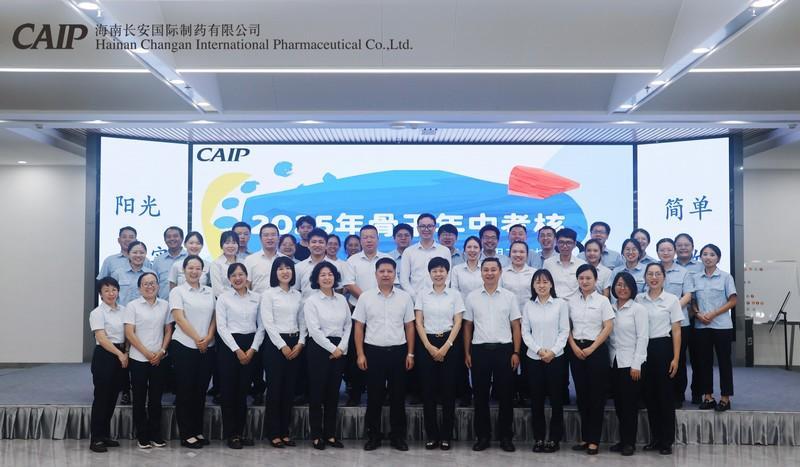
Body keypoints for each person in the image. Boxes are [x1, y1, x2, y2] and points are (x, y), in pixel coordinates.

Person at [354, 258, 416, 451]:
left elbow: (409, 326)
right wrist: (360, 354)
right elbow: (359, 327)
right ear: (376, 274)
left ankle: (398, 436)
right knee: (374, 397)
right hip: (373, 352)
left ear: (395, 274)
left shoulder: (405, 297)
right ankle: (373, 436)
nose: (386, 274)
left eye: (390, 271)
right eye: (382, 271)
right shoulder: (366, 297)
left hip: (398, 352)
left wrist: (410, 354)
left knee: (398, 397)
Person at [464, 257, 522, 452]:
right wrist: (467, 352)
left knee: (506, 396)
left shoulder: (509, 297)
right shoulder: (472, 297)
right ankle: (483, 436)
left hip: (504, 350)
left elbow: (516, 326)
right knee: (480, 397)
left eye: (493, 269)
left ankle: (506, 437)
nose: (489, 273)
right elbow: (468, 326)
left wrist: (516, 352)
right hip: (479, 350)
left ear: (500, 272)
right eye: (486, 270)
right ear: (481, 273)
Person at [414, 257, 464, 450]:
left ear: (447, 273)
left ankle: (446, 435)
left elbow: (458, 321)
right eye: (434, 271)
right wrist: (428, 346)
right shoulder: (422, 294)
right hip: (426, 343)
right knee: (428, 391)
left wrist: (446, 346)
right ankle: (432, 435)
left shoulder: (455, 295)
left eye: (441, 270)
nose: (438, 274)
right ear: (429, 274)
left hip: (450, 343)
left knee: (448, 391)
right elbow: (419, 322)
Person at [169, 255, 216, 449]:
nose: (194, 271)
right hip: (184, 346)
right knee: (185, 391)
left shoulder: (210, 291)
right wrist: (198, 339)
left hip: (207, 347)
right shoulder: (177, 292)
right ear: (184, 270)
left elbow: (215, 317)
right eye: (190, 268)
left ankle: (197, 431)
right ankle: (186, 434)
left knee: (200, 391)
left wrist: (208, 337)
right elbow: (179, 319)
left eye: (198, 268)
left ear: (203, 271)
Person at [304, 261, 352, 450]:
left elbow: (348, 325)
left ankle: (330, 434)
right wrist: (333, 349)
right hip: (319, 349)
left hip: (340, 349)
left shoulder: (341, 299)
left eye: (330, 274)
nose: (327, 278)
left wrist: (341, 347)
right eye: (322, 275)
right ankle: (317, 435)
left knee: (333, 393)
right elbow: (314, 330)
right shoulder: (312, 301)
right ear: (317, 279)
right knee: (317, 393)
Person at [216, 262, 264, 449]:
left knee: (243, 392)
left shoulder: (257, 298)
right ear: (229, 279)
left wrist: (253, 349)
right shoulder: (223, 298)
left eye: (241, 274)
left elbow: (261, 326)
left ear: (246, 277)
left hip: (251, 346)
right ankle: (231, 435)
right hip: (229, 347)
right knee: (229, 392)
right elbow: (221, 327)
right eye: (234, 275)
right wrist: (237, 349)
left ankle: (240, 432)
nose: (238, 278)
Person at [567, 264, 614, 455]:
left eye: (588, 278)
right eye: (581, 278)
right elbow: (566, 327)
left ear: (595, 280)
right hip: (576, 350)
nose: (584, 281)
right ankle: (585, 437)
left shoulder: (603, 301)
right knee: (582, 395)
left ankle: (594, 440)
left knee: (596, 396)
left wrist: (592, 348)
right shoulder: (571, 301)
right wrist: (574, 347)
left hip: (597, 350)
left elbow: (608, 326)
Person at [521, 269, 569, 454]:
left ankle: (554, 439)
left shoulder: (560, 304)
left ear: (551, 284)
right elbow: (525, 332)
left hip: (556, 358)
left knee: (556, 400)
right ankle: (539, 438)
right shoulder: (528, 305)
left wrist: (553, 351)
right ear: (533, 285)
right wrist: (539, 350)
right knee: (536, 401)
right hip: (534, 358)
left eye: (545, 282)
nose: (541, 285)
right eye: (538, 282)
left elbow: (564, 331)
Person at [637, 262, 683, 455]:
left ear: (664, 277)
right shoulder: (639, 299)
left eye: (658, 274)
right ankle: (655, 439)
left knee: (665, 396)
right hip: (643, 348)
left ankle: (666, 441)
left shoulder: (672, 300)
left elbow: (676, 330)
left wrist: (676, 358)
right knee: (650, 396)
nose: (654, 278)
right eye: (650, 274)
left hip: (663, 347)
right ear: (645, 277)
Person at [260, 256, 305, 448]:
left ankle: (285, 431)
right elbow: (268, 323)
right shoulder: (268, 294)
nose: (285, 271)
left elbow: (302, 321)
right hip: (275, 345)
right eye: (280, 269)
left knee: (289, 390)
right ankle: (273, 433)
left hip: (295, 344)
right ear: (275, 272)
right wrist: (282, 345)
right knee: (275, 389)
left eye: (288, 268)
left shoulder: (298, 295)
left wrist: (300, 343)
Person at [124, 272, 172, 449]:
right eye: (145, 284)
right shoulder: (132, 306)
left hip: (159, 358)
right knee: (139, 398)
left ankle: (155, 434)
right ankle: (142, 435)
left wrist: (161, 351)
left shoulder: (165, 305)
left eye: (153, 283)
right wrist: (146, 353)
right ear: (139, 288)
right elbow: (129, 333)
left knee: (155, 398)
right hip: (138, 358)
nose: (150, 286)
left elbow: (168, 330)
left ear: (158, 286)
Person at [344, 225, 390, 405]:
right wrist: (369, 301)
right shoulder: (352, 260)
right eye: (365, 237)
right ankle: (355, 393)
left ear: (378, 239)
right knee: (357, 352)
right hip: (358, 311)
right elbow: (349, 284)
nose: (369, 240)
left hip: (384, 311)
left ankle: (382, 393)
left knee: (380, 353)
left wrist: (376, 303)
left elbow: (393, 283)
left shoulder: (386, 259)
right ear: (361, 240)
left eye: (372, 237)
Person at [693, 244, 737, 412]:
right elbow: (693, 300)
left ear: (718, 258)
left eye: (712, 254)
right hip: (701, 326)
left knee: (724, 362)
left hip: (722, 326)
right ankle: (708, 397)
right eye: (705, 254)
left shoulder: (726, 277)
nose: (708, 257)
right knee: (704, 362)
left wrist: (713, 314)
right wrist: (698, 314)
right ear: (701, 257)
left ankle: (725, 398)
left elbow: (733, 301)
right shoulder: (695, 278)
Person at [607, 272, 648, 457]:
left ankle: (629, 443)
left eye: (625, 285)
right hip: (613, 362)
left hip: (631, 364)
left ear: (632, 288)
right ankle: (623, 440)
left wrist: (637, 364)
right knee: (619, 404)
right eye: (618, 284)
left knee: (629, 405)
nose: (622, 288)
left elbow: (643, 337)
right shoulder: (610, 308)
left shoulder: (638, 309)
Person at [88, 277, 128, 453]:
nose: (111, 293)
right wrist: (120, 354)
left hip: (122, 354)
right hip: (105, 355)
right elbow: (101, 338)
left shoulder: (124, 310)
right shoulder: (97, 313)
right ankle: (96, 438)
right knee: (101, 398)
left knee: (112, 397)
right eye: (106, 290)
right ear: (100, 294)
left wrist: (126, 352)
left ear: (118, 291)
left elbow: (128, 333)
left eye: (114, 290)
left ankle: (104, 435)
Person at [656, 238, 695, 407]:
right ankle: (661, 393)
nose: (666, 253)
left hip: (680, 324)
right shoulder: (653, 270)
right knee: (659, 358)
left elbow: (688, 295)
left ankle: (678, 395)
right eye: (662, 250)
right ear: (657, 252)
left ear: (674, 252)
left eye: (669, 250)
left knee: (678, 359)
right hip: (656, 324)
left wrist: (670, 309)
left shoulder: (683, 272)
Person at [449, 235, 483, 407]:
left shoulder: (486, 268)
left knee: (479, 356)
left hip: (483, 316)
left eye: (475, 247)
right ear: (464, 251)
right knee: (461, 356)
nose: (472, 250)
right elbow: (454, 292)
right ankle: (464, 392)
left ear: (480, 250)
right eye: (469, 247)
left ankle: (480, 391)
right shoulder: (457, 270)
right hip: (462, 317)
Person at [675, 232, 703, 403]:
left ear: (692, 247)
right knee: (679, 357)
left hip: (699, 318)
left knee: (698, 357)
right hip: (680, 318)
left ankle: (697, 393)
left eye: (686, 245)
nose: (683, 248)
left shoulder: (701, 266)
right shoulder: (669, 265)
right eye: (679, 245)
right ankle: (678, 393)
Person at [399, 213, 451, 295]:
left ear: (434, 228)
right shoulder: (409, 251)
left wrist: (438, 294)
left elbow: (447, 278)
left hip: (438, 297)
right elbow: (404, 280)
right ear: (417, 228)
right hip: (414, 298)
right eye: (422, 226)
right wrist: (415, 297)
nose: (426, 229)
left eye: (429, 226)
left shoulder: (444, 251)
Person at [296, 228, 353, 298]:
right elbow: (295, 291)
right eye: (314, 242)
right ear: (308, 245)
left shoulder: (336, 266)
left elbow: (339, 290)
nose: (317, 245)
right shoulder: (299, 267)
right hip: (305, 304)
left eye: (321, 242)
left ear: (326, 245)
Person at [543, 228, 586, 298]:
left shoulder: (581, 264)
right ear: (556, 243)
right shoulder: (548, 263)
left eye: (568, 243)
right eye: (561, 242)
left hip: (575, 302)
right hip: (554, 302)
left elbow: (585, 287)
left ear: (575, 244)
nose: (565, 246)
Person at [111, 240, 155, 306]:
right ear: (128, 254)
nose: (138, 255)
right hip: (123, 311)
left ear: (145, 254)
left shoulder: (151, 274)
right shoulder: (118, 274)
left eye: (142, 253)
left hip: (146, 311)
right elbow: (111, 295)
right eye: (135, 252)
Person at [244, 223, 283, 294]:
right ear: (260, 238)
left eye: (273, 235)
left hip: (280, 300)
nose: (270, 238)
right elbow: (246, 284)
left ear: (278, 237)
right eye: (266, 235)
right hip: (257, 300)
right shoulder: (250, 259)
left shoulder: (285, 259)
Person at [151, 226, 186, 299]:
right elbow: (153, 284)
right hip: (163, 303)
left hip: (186, 303)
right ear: (165, 240)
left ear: (182, 238)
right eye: (168, 237)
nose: (172, 239)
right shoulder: (158, 260)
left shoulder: (189, 258)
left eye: (175, 236)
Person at [210, 230, 239, 298]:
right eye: (227, 243)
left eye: (234, 243)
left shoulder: (243, 262)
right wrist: (235, 299)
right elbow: (217, 290)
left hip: (243, 300)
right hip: (224, 301)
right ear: (221, 245)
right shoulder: (216, 264)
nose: (230, 246)